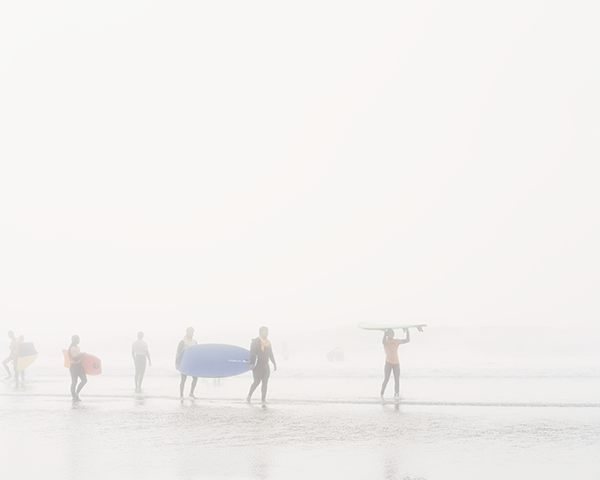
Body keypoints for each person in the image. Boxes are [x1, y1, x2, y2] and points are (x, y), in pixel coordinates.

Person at [246, 326, 277, 404]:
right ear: (261, 332)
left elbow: (270, 353)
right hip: (257, 365)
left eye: (267, 331)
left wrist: (274, 363)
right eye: (265, 331)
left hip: (265, 365)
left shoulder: (268, 342)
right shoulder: (255, 341)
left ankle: (263, 399)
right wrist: (251, 364)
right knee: (257, 381)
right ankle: (249, 395)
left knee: (265, 382)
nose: (267, 333)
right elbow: (252, 352)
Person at [380, 328, 410, 398]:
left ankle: (396, 396)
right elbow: (383, 342)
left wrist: (407, 331)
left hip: (396, 363)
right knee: (386, 379)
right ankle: (381, 394)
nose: (390, 334)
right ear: (387, 335)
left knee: (397, 380)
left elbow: (408, 340)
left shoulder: (396, 341)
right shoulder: (386, 341)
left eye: (391, 333)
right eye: (389, 333)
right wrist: (384, 333)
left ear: (393, 334)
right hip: (388, 363)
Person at [175, 327, 198, 400]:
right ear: (187, 331)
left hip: (192, 363)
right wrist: (176, 363)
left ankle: (191, 393)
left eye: (192, 331)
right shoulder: (183, 341)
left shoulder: (195, 342)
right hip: (184, 362)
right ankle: (181, 395)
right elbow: (178, 352)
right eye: (190, 331)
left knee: (195, 378)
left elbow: (197, 353)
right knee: (183, 379)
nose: (191, 332)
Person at [68, 335, 87, 401]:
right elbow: (75, 358)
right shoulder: (72, 348)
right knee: (74, 382)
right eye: (78, 339)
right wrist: (82, 354)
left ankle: (77, 393)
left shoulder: (77, 347)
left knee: (84, 380)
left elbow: (79, 356)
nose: (79, 341)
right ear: (76, 340)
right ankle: (74, 397)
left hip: (79, 366)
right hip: (74, 367)